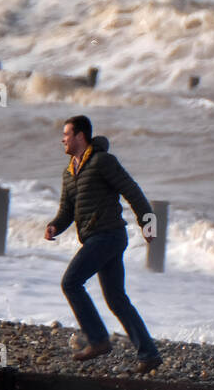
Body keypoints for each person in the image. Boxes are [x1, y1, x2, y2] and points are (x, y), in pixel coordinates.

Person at [45, 114, 162, 373]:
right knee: (116, 299)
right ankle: (149, 354)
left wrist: (147, 222)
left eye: (66, 134)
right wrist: (55, 225)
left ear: (80, 136)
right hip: (97, 238)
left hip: (108, 235)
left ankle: (98, 340)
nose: (62, 139)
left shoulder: (102, 162)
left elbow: (131, 189)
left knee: (71, 282)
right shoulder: (68, 173)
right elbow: (67, 210)